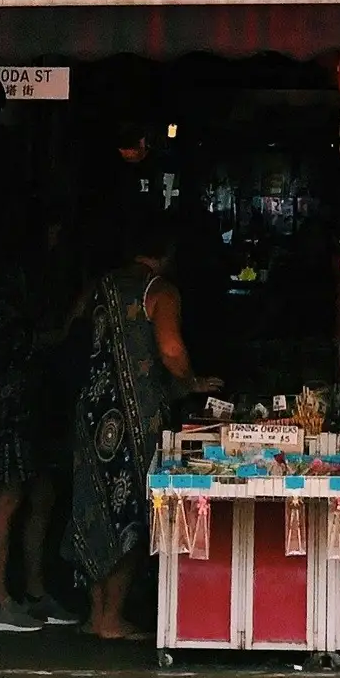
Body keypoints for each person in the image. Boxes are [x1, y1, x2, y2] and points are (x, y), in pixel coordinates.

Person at [69, 215, 218, 641]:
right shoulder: (160, 290)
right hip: (135, 418)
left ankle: (95, 614)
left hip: (91, 411)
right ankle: (111, 618)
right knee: (133, 511)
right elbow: (170, 349)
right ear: (168, 253)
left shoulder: (101, 284)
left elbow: (72, 330)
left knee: (93, 508)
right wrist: (190, 382)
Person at [0, 222, 86, 633]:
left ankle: (36, 593)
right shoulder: (7, 284)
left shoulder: (35, 278)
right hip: (9, 403)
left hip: (35, 402)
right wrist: (71, 320)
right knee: (9, 497)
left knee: (42, 492)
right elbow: (19, 343)